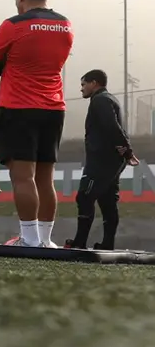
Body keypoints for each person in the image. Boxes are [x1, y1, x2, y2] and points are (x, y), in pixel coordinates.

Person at [0, 0, 73, 248]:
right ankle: (45, 240)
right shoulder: (66, 25)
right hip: (54, 108)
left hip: (19, 108)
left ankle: (29, 238)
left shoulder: (13, 25)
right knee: (46, 179)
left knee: (23, 177)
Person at [66, 70, 137, 250]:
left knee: (84, 197)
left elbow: (112, 126)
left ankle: (79, 243)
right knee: (107, 200)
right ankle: (107, 244)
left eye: (84, 84)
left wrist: (127, 150)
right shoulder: (109, 99)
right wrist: (124, 152)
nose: (81, 89)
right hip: (110, 159)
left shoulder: (101, 100)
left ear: (94, 83)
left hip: (102, 160)